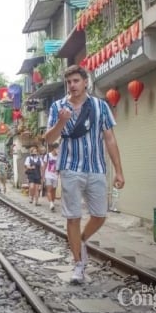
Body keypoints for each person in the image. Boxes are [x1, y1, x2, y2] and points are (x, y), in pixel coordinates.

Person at [44, 65, 125, 284]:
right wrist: (62, 121)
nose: (72, 85)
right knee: (73, 216)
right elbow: (49, 139)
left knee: (99, 215)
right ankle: (78, 264)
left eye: (76, 81)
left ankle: (80, 240)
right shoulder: (57, 106)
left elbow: (109, 138)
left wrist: (119, 170)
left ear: (85, 82)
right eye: (69, 82)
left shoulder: (100, 106)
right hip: (70, 168)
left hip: (97, 167)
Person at [42, 142, 59, 211]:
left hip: (55, 176)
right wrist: (43, 176)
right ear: (54, 149)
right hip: (48, 175)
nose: (59, 150)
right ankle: (51, 203)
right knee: (49, 189)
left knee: (54, 190)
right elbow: (44, 166)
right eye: (58, 149)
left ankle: (52, 203)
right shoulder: (48, 156)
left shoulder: (59, 157)